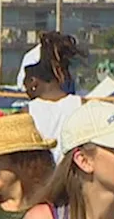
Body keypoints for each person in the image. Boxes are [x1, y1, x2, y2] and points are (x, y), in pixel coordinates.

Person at [22, 32, 84, 161]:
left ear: (33, 81)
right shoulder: (82, 106)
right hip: (73, 179)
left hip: (40, 180)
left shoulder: (26, 113)